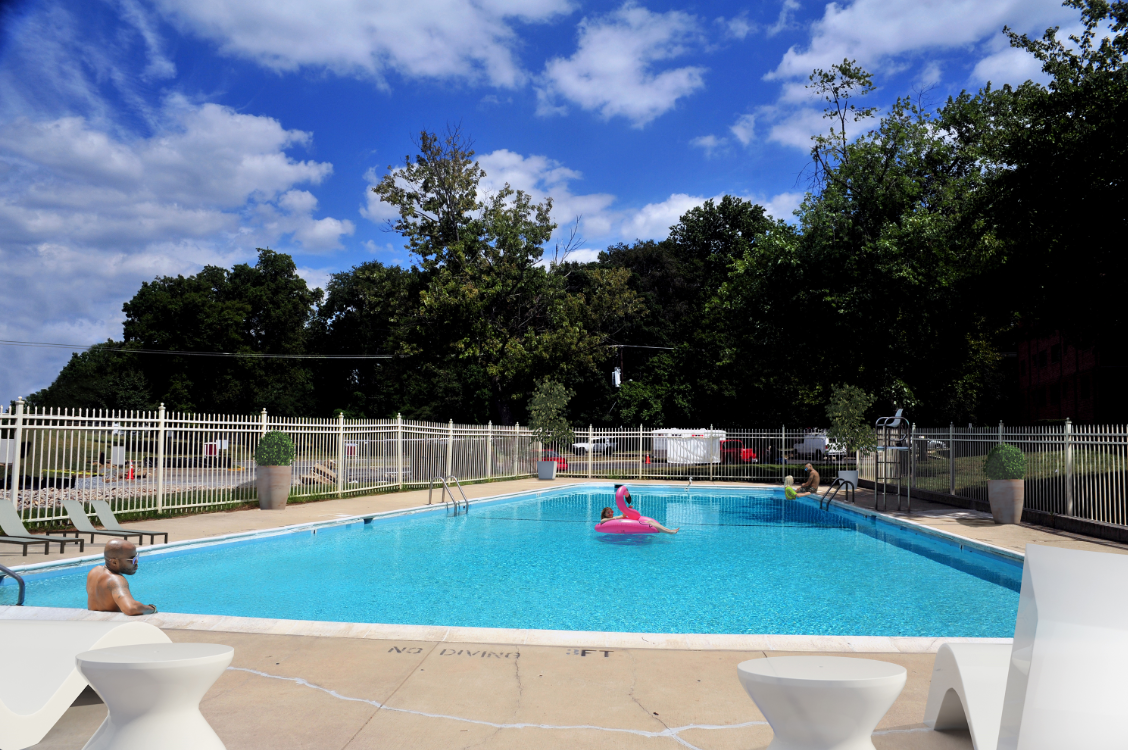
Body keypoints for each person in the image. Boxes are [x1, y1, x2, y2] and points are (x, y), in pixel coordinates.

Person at [87, 538, 157, 615]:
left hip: (93, 623)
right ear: (114, 562)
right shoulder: (116, 580)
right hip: (111, 625)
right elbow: (131, 608)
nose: (136, 562)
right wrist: (152, 608)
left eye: (137, 557)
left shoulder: (93, 572)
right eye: (132, 559)